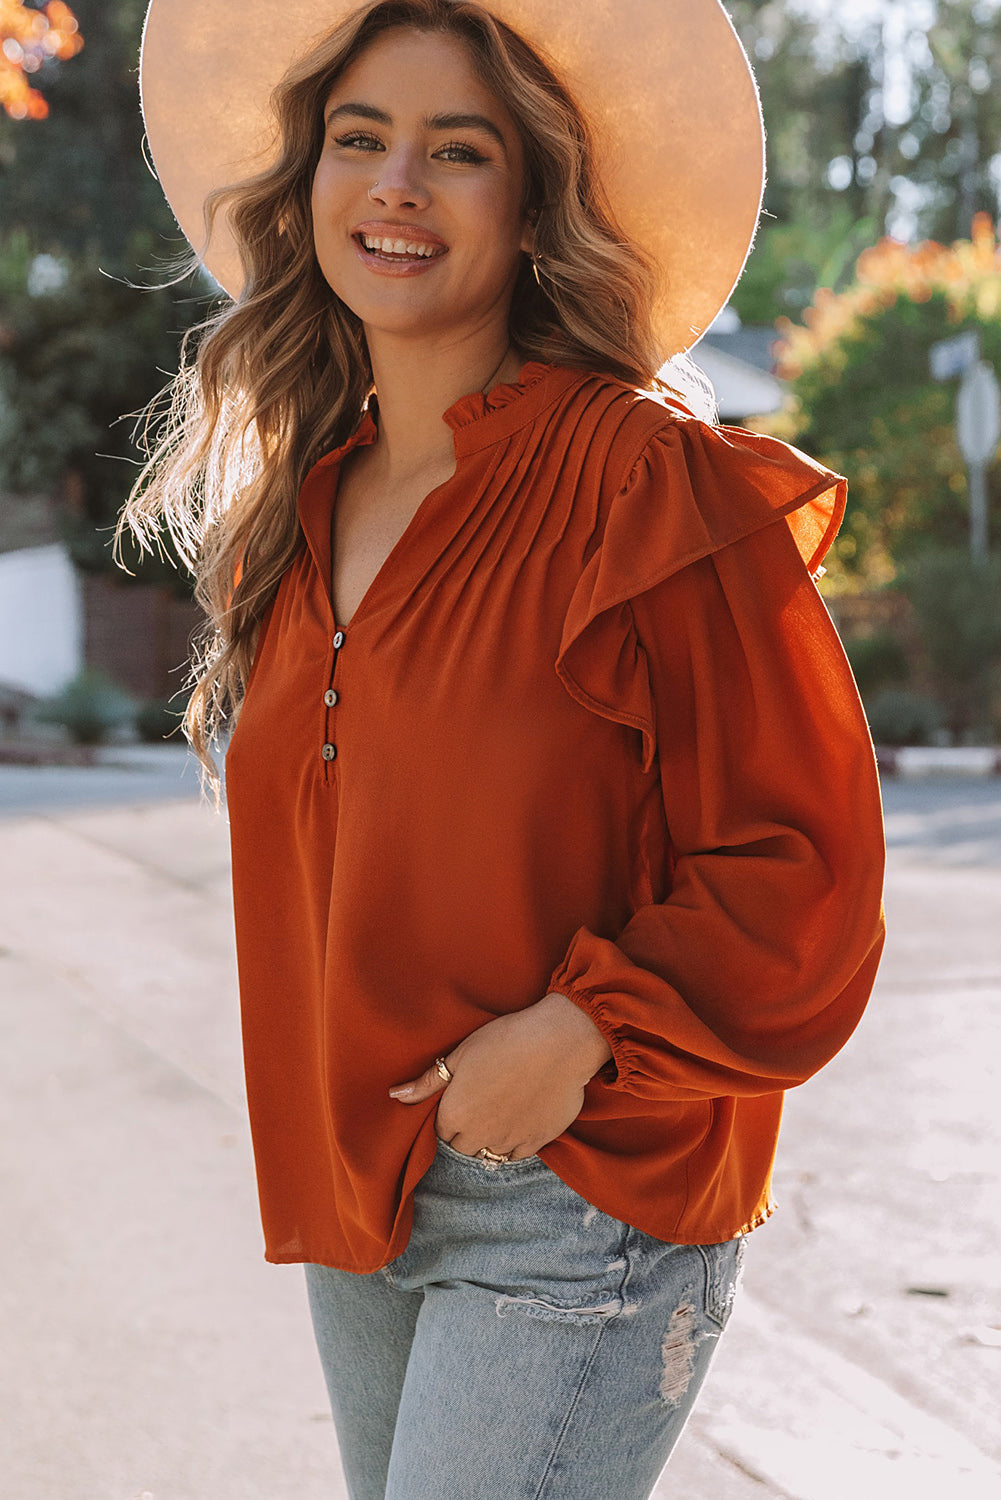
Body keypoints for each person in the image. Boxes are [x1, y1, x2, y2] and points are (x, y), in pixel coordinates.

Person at [129, 1, 886, 1495]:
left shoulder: (641, 478)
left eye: (456, 152)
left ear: (533, 207)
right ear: (308, 186)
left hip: (578, 1189)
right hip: (360, 1199)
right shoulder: (298, 509)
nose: (396, 185)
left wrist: (585, 1029)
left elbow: (805, 869)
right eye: (360, 140)